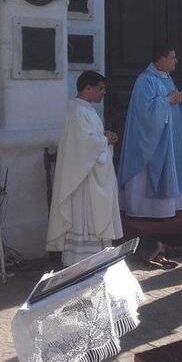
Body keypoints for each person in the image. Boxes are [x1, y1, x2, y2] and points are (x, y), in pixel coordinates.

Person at [46, 71, 123, 266]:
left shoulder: (87, 109)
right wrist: (106, 139)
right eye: (100, 89)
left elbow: (89, 138)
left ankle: (95, 257)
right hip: (83, 178)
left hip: (89, 173)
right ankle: (82, 260)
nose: (103, 93)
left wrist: (104, 136)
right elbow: (84, 144)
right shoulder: (76, 110)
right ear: (88, 88)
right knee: (85, 216)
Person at [118, 45, 182, 218]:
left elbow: (169, 101)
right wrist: (167, 101)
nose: (176, 61)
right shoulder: (145, 80)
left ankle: (169, 207)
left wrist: (177, 100)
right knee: (148, 170)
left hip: (168, 135)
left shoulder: (167, 77)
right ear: (162, 59)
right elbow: (144, 111)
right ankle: (144, 209)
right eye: (173, 57)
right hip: (150, 138)